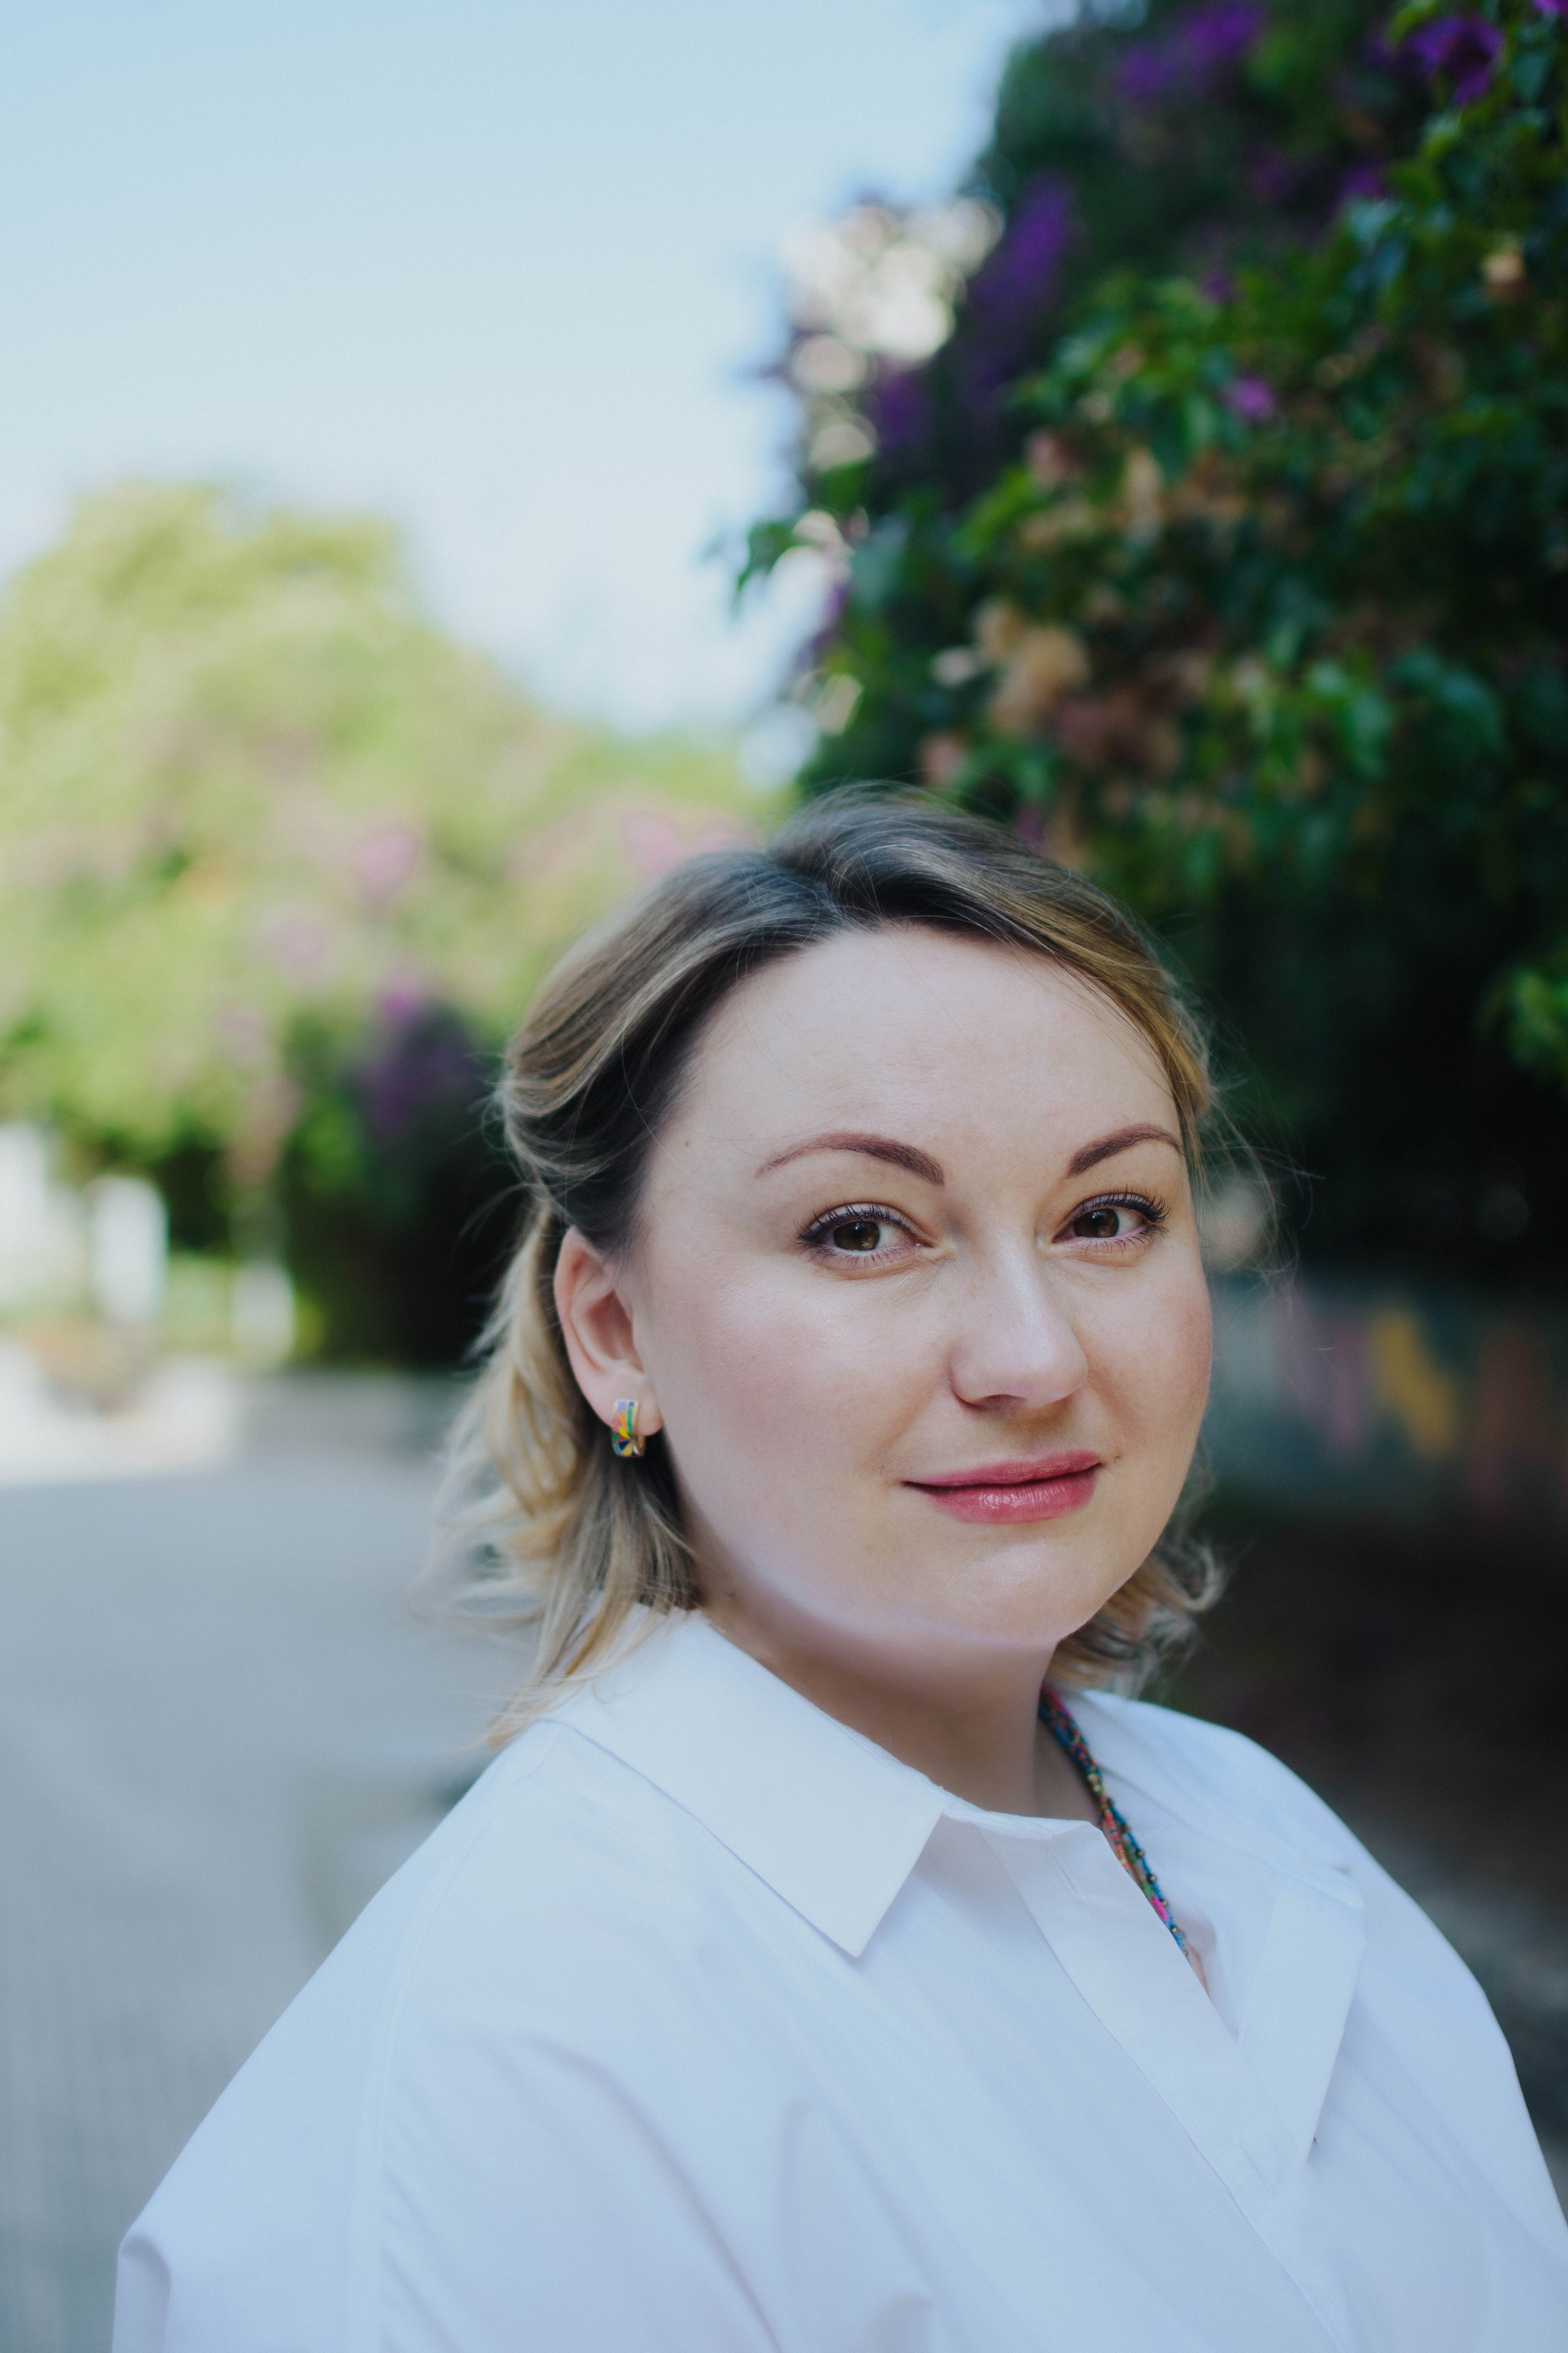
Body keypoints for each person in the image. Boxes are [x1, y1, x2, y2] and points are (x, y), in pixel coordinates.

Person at [113, 795, 1567, 2351]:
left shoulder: (1266, 1845)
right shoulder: (505, 2078)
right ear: (612, 1328)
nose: (1031, 1353)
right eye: (861, 1229)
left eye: (1106, 1215)